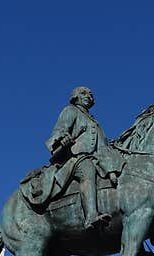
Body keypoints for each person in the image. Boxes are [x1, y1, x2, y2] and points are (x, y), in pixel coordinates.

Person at [45, 86, 119, 230]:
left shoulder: (94, 121)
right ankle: (91, 216)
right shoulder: (70, 111)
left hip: (97, 158)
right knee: (87, 171)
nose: (89, 96)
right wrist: (63, 138)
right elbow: (59, 130)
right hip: (76, 158)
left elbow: (102, 145)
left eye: (91, 94)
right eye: (84, 93)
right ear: (75, 97)